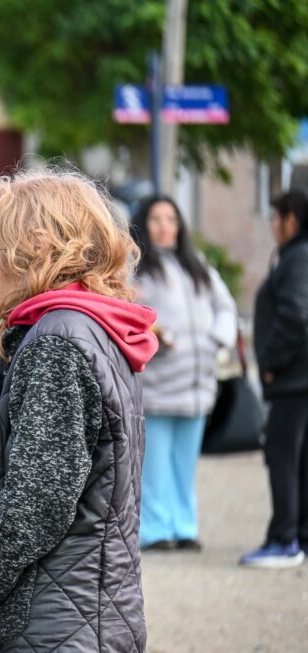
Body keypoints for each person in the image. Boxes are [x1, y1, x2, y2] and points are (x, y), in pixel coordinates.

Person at [0, 170, 156, 653]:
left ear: (35, 247)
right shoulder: (96, 331)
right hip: (86, 620)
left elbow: (34, 506)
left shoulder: (57, 341)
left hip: (56, 632)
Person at [129, 196, 237, 552]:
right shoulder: (136, 268)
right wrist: (158, 338)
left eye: (171, 218)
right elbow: (130, 312)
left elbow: (225, 306)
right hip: (158, 384)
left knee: (184, 465)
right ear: (145, 223)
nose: (164, 225)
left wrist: (215, 339)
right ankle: (156, 530)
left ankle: (184, 525)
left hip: (196, 385)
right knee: (155, 467)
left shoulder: (198, 266)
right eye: (157, 218)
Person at [241, 188, 308, 568]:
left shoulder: (297, 256)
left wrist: (270, 361)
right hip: (299, 378)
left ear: (291, 220)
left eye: (276, 217)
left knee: (282, 457)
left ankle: (284, 539)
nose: (273, 225)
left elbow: (296, 314)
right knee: (299, 458)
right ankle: (299, 535)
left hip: (293, 378)